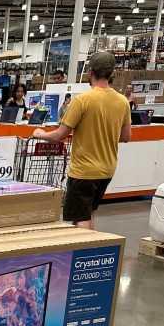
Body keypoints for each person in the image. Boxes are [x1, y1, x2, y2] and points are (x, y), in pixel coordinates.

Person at [32, 52, 131, 230]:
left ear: (90, 71)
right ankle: (89, 252)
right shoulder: (122, 101)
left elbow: (60, 135)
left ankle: (79, 255)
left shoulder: (82, 101)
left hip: (84, 171)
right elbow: (126, 137)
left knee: (80, 218)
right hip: (107, 169)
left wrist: (40, 134)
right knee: (89, 211)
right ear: (111, 73)